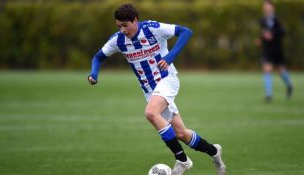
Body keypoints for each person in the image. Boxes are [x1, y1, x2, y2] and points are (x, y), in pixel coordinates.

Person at [87, 3, 226, 175]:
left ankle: (182, 160)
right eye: (119, 26)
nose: (122, 29)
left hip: (167, 79)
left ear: (135, 20)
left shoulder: (153, 28)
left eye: (125, 25)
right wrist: (94, 73)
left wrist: (170, 56)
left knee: (151, 113)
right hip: (149, 90)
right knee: (181, 133)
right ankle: (214, 151)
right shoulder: (118, 40)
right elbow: (98, 57)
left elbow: (186, 32)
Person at [260, 0, 293, 102]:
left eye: (268, 7)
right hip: (267, 49)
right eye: (265, 7)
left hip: (276, 48)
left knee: (280, 70)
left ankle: (289, 85)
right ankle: (269, 94)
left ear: (272, 8)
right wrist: (261, 39)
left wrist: (272, 35)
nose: (266, 8)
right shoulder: (263, 20)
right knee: (267, 69)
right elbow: (263, 33)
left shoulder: (277, 20)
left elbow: (282, 32)